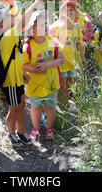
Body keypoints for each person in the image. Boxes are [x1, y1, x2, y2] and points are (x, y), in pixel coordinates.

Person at [0, 0, 45, 148]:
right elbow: (23, 23)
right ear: (0, 24)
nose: (12, 17)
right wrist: (35, 3)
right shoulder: (7, 35)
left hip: (17, 79)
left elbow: (16, 58)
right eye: (7, 17)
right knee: (14, 109)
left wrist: (23, 74)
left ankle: (21, 132)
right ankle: (11, 134)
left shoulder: (12, 37)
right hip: (10, 81)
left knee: (21, 106)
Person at [23, 10, 65, 141]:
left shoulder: (54, 42)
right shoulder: (28, 46)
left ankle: (49, 129)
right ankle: (36, 129)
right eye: (41, 25)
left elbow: (61, 60)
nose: (46, 27)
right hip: (35, 85)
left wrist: (48, 65)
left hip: (51, 83)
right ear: (32, 31)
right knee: (35, 107)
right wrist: (33, 70)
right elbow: (23, 64)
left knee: (50, 107)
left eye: (46, 24)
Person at [49, 1, 86, 107]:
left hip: (72, 62)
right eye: (66, 10)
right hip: (61, 63)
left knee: (70, 83)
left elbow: (79, 43)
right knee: (62, 85)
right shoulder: (56, 26)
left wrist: (82, 58)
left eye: (71, 10)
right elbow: (49, 43)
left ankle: (65, 103)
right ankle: (62, 105)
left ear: (75, 13)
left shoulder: (77, 26)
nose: (69, 12)